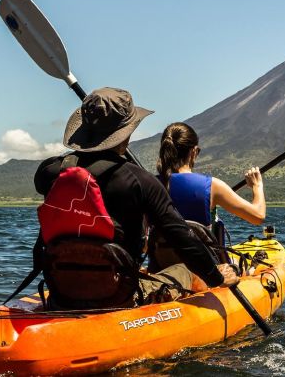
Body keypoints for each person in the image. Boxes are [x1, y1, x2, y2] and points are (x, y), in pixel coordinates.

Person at [33, 87, 238, 308]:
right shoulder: (141, 181)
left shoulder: (51, 171)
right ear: (127, 133)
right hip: (117, 293)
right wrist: (217, 277)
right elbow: (183, 239)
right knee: (184, 269)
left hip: (62, 289)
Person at [155, 122, 266, 227]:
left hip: (159, 248)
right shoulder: (212, 186)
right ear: (194, 152)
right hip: (198, 247)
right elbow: (258, 216)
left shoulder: (148, 185)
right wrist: (257, 186)